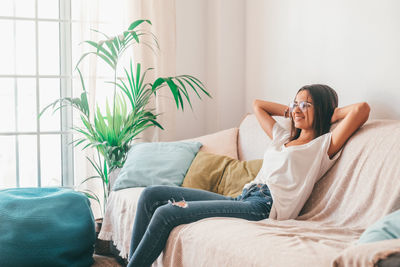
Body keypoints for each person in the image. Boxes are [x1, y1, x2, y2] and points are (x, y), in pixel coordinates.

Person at [127, 84, 370, 266]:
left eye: (306, 104)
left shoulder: (322, 146)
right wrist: (293, 111)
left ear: (323, 109)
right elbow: (258, 105)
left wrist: (329, 114)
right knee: (151, 194)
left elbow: (361, 109)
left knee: (167, 213)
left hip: (263, 206)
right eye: (296, 103)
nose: (298, 109)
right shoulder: (283, 137)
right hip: (243, 196)